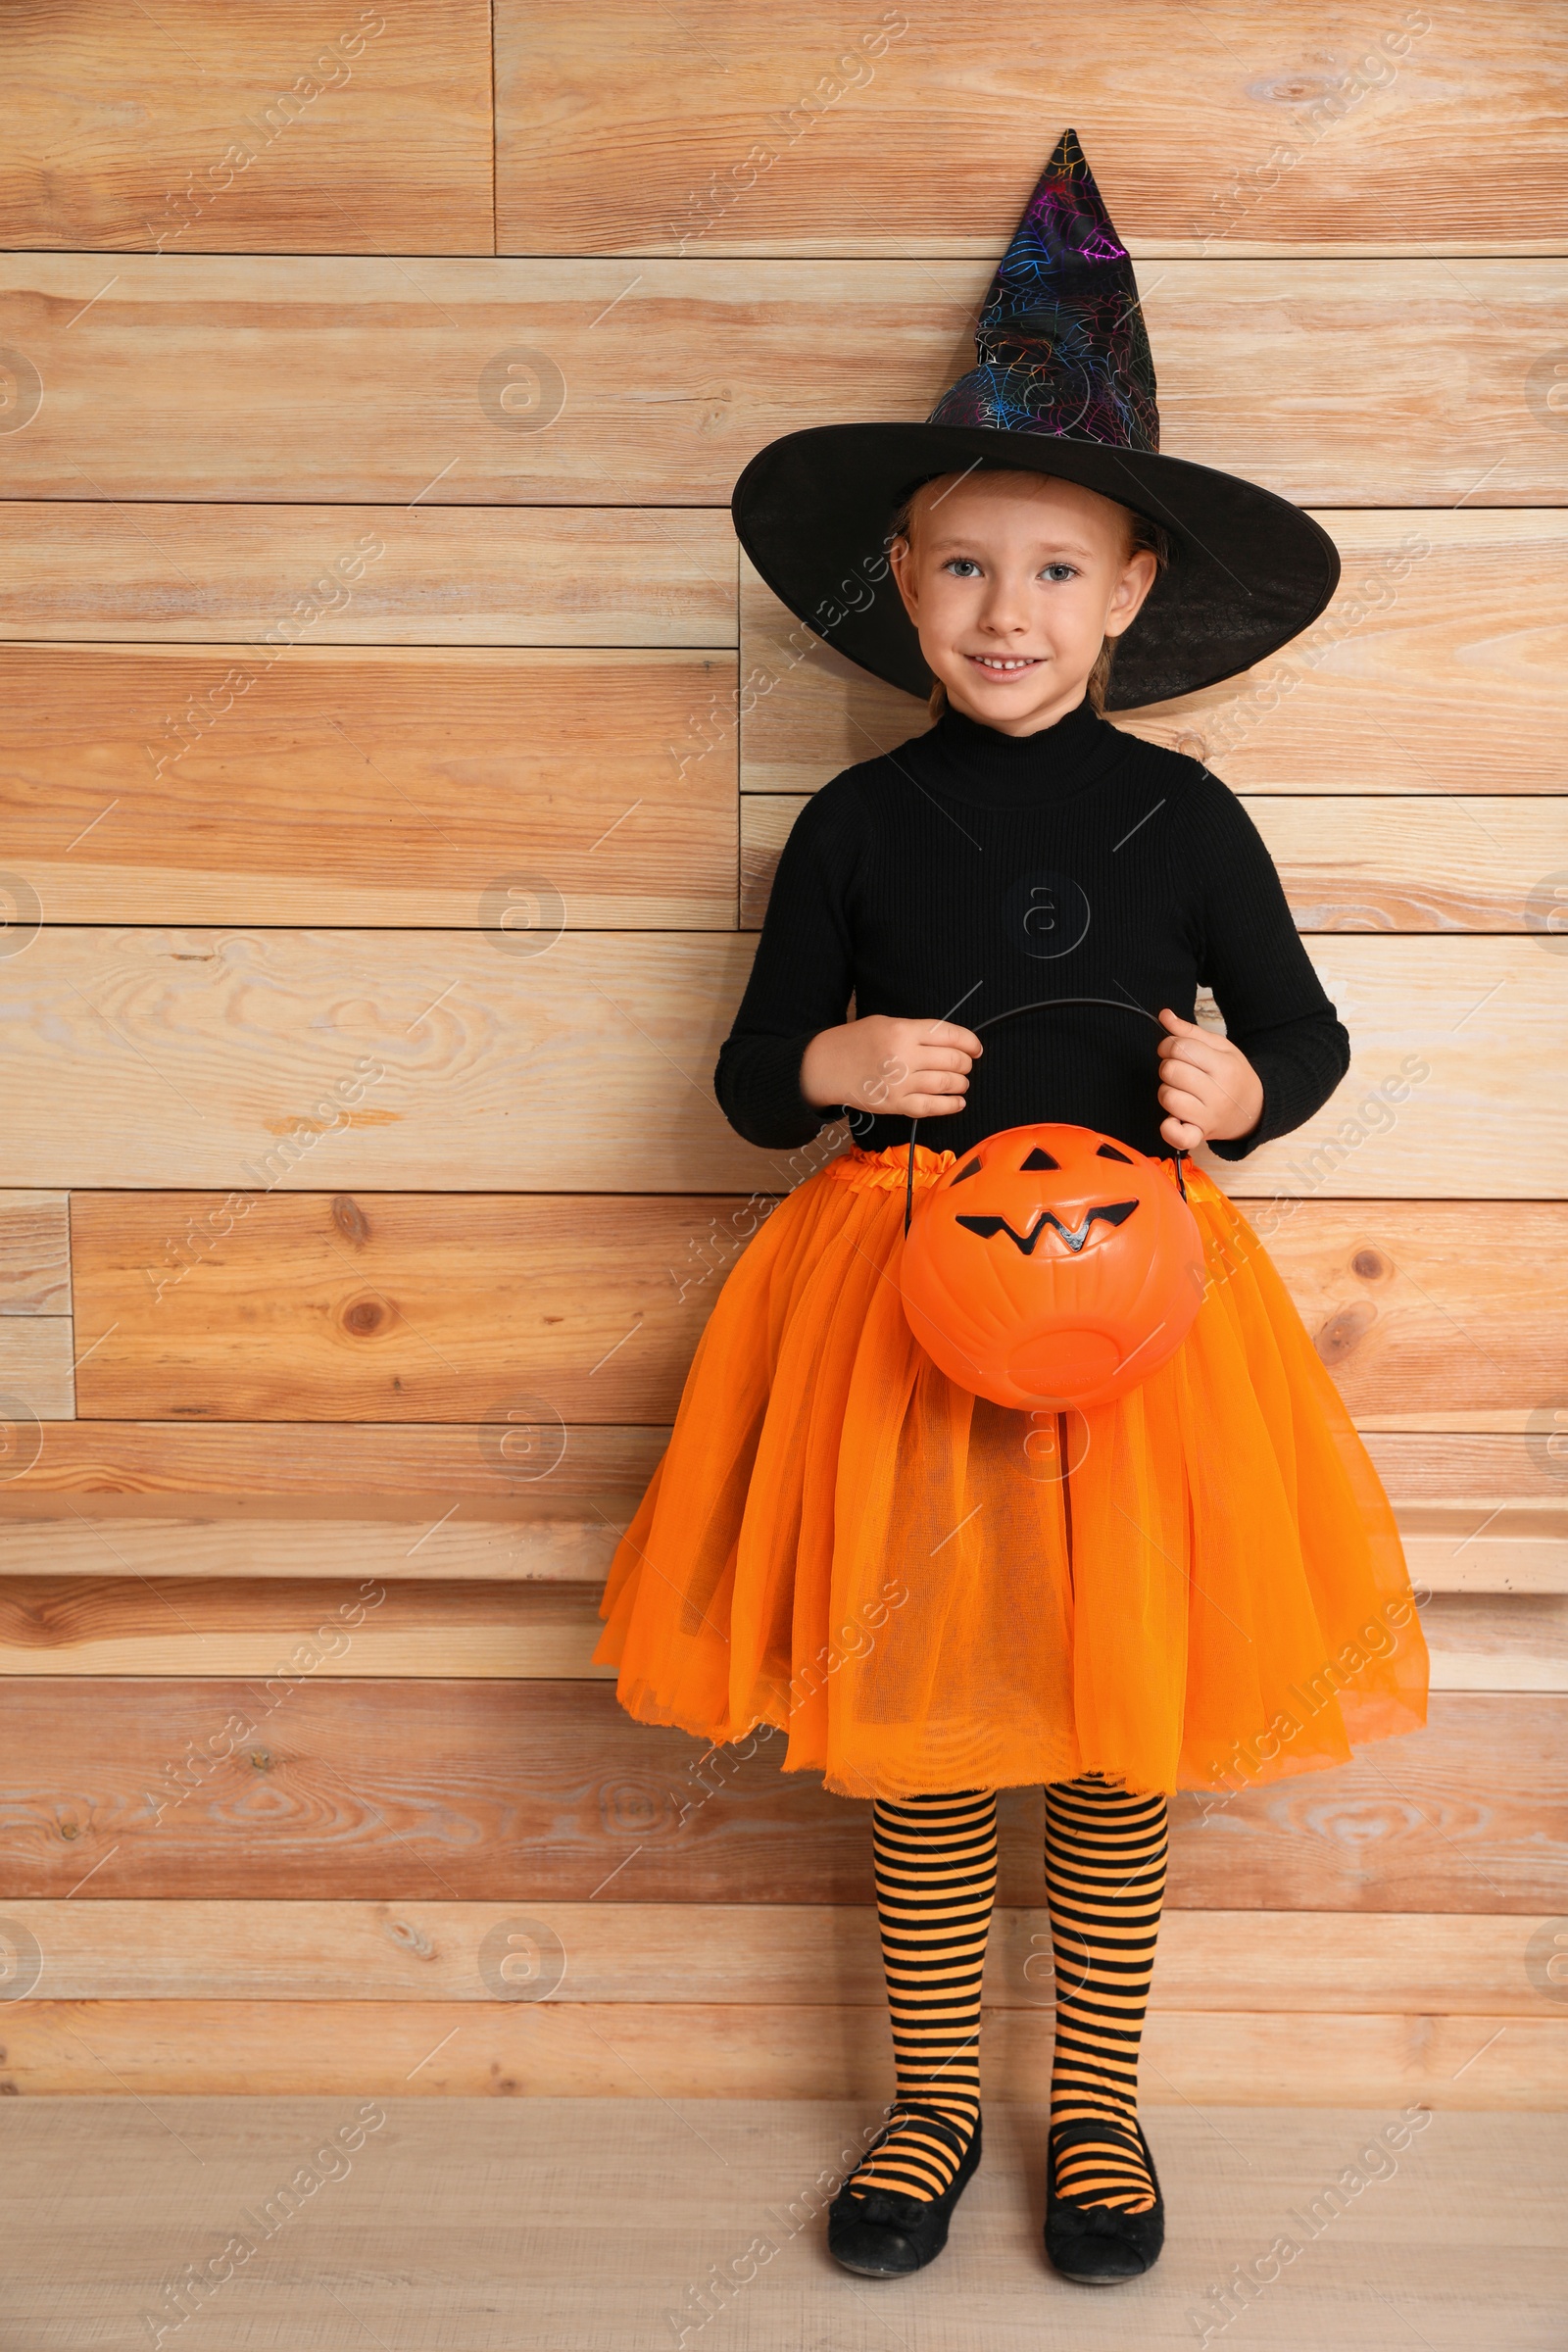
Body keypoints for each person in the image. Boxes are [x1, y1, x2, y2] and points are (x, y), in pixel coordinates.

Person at [595, 129, 1428, 2288]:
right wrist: (828, 1070)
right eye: (965, 570)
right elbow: (739, 1074)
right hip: (890, 1319)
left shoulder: (1180, 811)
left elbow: (1304, 1044)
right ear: (901, 576)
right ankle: (933, 2097)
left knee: (1120, 1721)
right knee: (930, 1723)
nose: (1006, 615)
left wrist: (1242, 1088)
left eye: (1053, 572)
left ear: (1130, 590)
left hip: (1141, 1318)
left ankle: (1097, 2112)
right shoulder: (857, 825)